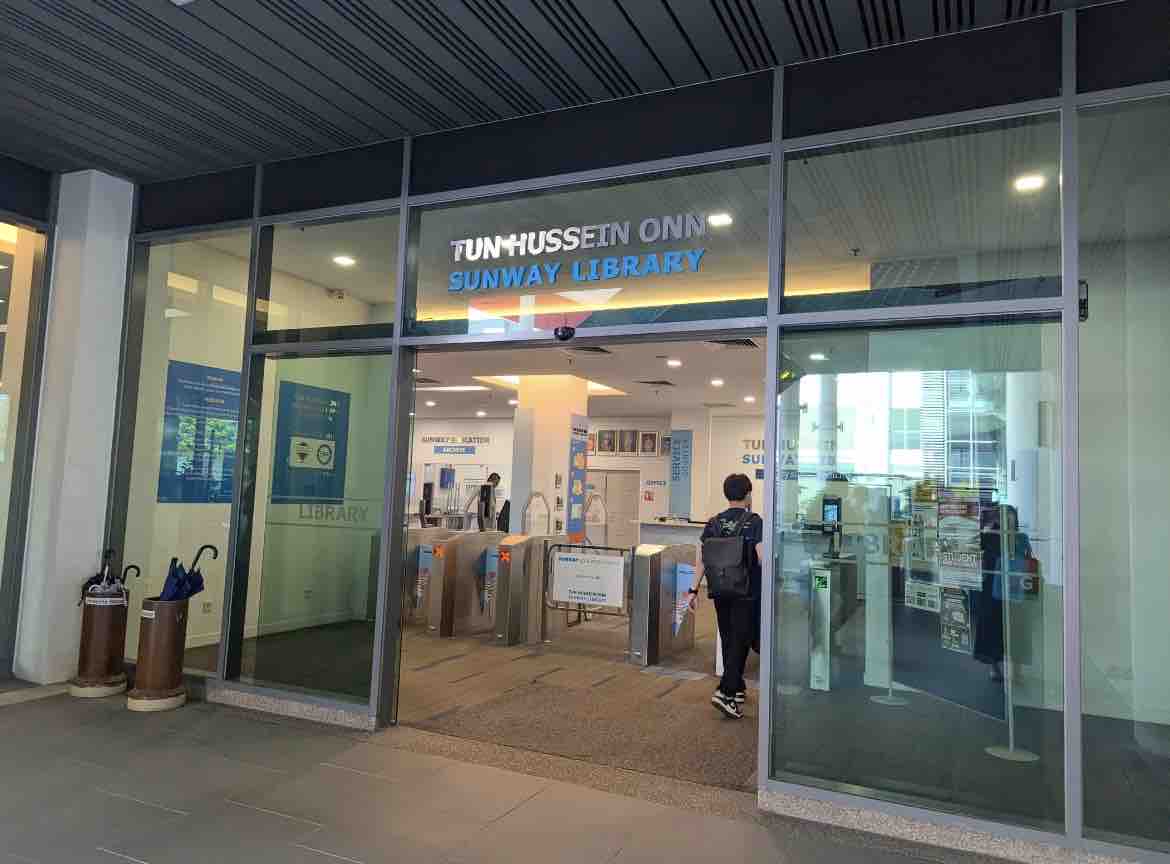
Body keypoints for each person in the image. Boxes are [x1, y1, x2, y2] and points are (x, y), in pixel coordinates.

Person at [691, 473, 764, 720]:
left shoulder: (713, 522)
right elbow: (761, 557)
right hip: (746, 591)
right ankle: (725, 692)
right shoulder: (754, 522)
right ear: (748, 494)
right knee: (741, 640)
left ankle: (738, 688)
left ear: (727, 494)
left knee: (728, 637)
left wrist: (693, 589)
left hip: (720, 589)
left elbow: (702, 559)